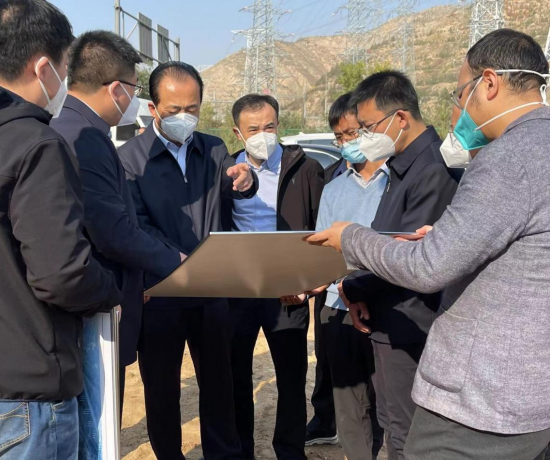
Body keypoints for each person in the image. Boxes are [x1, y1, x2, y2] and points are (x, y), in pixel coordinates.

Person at [308, 29, 550, 460]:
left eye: (461, 93)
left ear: (488, 83)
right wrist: (443, 239)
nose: (461, 107)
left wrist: (351, 238)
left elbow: (429, 267)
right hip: (527, 391)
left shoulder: (507, 157)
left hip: (482, 400)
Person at [0, 1, 122, 458]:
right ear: (43, 67)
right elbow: (62, 275)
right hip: (23, 392)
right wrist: (109, 289)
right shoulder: (35, 145)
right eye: (64, 68)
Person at [312, 70, 460, 460]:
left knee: (404, 431)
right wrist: (354, 289)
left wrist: (354, 286)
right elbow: (384, 235)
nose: (363, 137)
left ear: (400, 118)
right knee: (390, 421)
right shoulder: (402, 166)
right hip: (384, 313)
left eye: (367, 127)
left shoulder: (432, 170)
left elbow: (410, 257)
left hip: (407, 320)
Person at [49, 30, 184, 450]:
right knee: (98, 430)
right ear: (116, 90)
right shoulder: (85, 137)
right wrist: (177, 263)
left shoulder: (67, 124)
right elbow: (112, 231)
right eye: (135, 90)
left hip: (84, 301)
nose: (134, 101)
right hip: (94, 309)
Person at [117, 61, 256, 460]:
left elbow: (234, 185)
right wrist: (175, 260)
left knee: (219, 384)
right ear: (153, 108)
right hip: (160, 291)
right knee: (161, 389)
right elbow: (136, 224)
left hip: (210, 289)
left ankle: (223, 454)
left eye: (192, 108)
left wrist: (246, 180)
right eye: (174, 109)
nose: (184, 117)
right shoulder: (130, 158)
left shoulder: (213, 149)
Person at [228, 94, 324, 460]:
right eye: (253, 129)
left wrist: (305, 281)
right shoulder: (225, 171)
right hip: (239, 289)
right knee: (236, 376)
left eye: (269, 127)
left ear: (279, 125)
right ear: (238, 133)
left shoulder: (305, 169)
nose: (262, 135)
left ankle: (290, 450)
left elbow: (319, 228)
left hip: (287, 290)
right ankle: (240, 451)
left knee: (291, 377)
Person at [302, 93, 386, 460]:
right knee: (349, 404)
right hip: (337, 307)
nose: (346, 142)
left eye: (352, 132)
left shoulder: (396, 184)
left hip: (385, 305)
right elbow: (324, 251)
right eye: (339, 136)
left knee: (385, 402)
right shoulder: (333, 189)